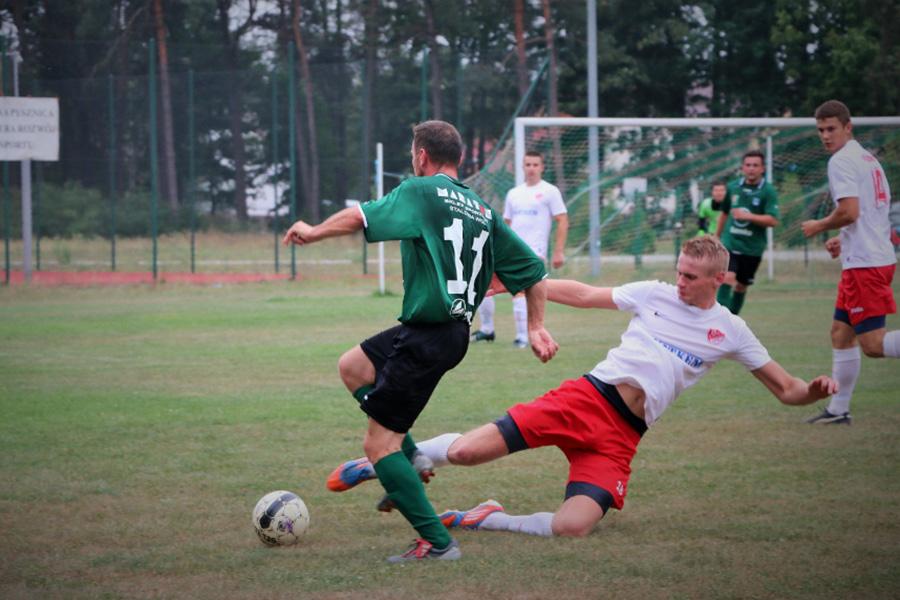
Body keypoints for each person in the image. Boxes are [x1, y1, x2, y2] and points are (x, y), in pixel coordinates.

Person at [328, 236, 837, 539]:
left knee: (572, 528)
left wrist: (813, 392)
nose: (680, 283)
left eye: (690, 277)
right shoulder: (655, 294)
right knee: (465, 453)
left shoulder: (731, 330)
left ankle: (486, 517)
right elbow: (586, 293)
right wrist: (525, 284)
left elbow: (786, 389)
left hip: (623, 435)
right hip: (587, 399)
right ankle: (388, 459)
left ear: (718, 279)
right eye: (679, 272)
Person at [282, 120, 558, 562]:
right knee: (354, 366)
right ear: (459, 158)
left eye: (413, 153)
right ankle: (410, 458)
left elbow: (360, 217)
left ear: (422, 156)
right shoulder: (481, 209)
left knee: (378, 445)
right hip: (445, 332)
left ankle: (438, 542)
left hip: (429, 335)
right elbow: (534, 270)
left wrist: (313, 231)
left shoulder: (421, 190)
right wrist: (537, 326)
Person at [800, 99, 899, 425]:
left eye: (831, 129)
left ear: (848, 127)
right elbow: (871, 215)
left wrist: (819, 225)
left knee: (873, 344)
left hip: (865, 265)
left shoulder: (841, 161)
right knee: (841, 334)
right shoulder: (868, 159)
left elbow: (850, 212)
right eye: (821, 130)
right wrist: (843, 240)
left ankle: (839, 409)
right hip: (868, 257)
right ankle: (838, 410)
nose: (825, 136)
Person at [471, 150, 569, 348]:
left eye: (535, 165)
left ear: (542, 167)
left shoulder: (550, 191)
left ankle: (523, 337)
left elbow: (562, 220)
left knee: (522, 291)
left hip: (534, 251)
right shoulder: (514, 194)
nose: (531, 168)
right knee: (484, 283)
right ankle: (487, 330)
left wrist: (559, 251)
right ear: (523, 167)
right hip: (511, 250)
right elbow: (505, 225)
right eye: (528, 164)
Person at [715, 150, 780, 315]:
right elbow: (724, 213)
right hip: (731, 243)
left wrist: (748, 216)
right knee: (727, 277)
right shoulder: (733, 187)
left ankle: (732, 319)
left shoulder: (768, 191)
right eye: (748, 165)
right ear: (742, 168)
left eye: (755, 165)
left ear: (762, 168)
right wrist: (717, 236)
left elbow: (773, 220)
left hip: (752, 249)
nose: (751, 168)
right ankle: (720, 319)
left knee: (741, 286)